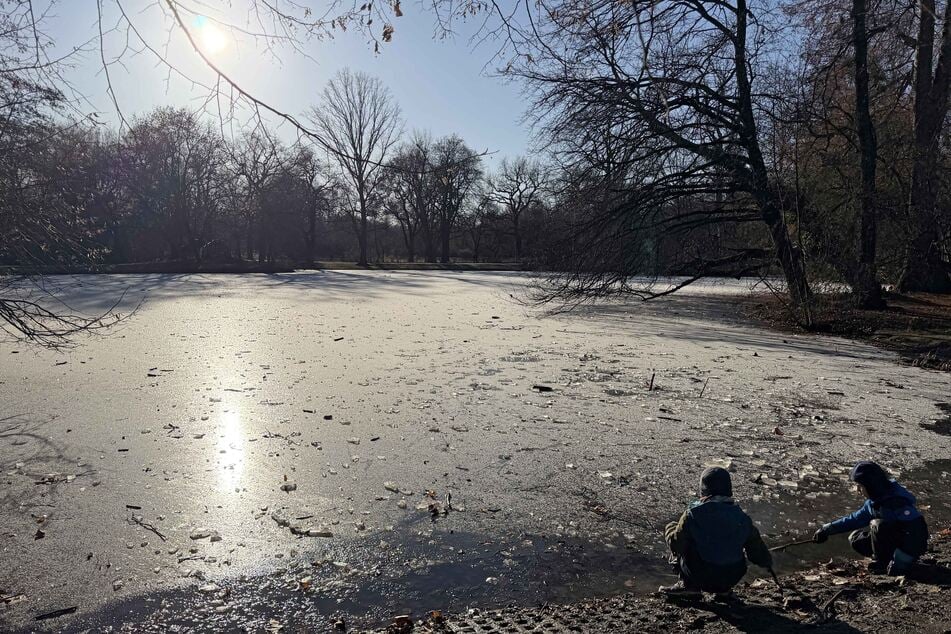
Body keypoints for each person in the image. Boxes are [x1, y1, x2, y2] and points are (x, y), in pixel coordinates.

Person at [660, 466, 773, 598]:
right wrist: (766, 562)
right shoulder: (741, 517)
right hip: (732, 577)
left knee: (683, 542)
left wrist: (669, 528)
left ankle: (688, 585)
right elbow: (756, 551)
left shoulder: (692, 515)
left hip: (701, 575)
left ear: (703, 489)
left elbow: (676, 544)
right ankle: (723, 590)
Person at [813, 461, 928, 575]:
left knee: (877, 524)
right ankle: (884, 560)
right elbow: (855, 519)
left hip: (906, 546)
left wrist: (902, 561)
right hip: (892, 541)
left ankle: (884, 563)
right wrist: (827, 530)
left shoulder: (897, 503)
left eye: (861, 486)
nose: (858, 490)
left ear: (871, 485)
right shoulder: (874, 502)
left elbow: (917, 531)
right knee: (855, 539)